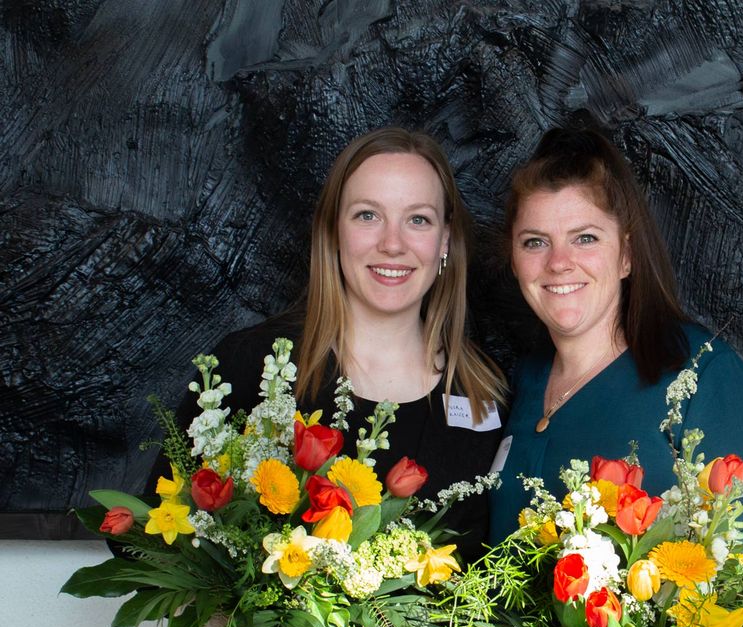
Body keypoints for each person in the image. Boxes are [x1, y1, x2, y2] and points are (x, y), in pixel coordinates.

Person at [148, 127, 508, 563]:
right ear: (333, 231)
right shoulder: (252, 366)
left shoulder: (487, 395)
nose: (392, 244)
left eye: (418, 219)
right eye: (367, 215)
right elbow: (148, 542)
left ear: (445, 240)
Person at [488, 127, 743, 550]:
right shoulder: (525, 380)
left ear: (626, 255)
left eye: (585, 238)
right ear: (514, 259)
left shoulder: (706, 376)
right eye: (535, 242)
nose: (558, 263)